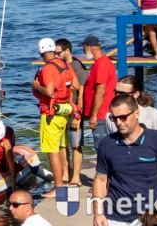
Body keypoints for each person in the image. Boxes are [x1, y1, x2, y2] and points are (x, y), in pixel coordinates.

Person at [93, 94, 157, 226]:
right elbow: (100, 180)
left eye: (123, 117)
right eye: (114, 118)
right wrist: (98, 213)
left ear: (136, 114)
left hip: (148, 217)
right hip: (113, 216)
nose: (118, 123)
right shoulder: (106, 143)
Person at [33, 37, 75, 194]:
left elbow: (49, 92)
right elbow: (76, 85)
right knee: (59, 147)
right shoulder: (64, 65)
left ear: (42, 53)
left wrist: (37, 86)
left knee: (52, 151)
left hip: (51, 114)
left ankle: (58, 187)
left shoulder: (47, 69)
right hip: (64, 111)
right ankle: (63, 180)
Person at [104, 75, 157, 153]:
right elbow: (110, 145)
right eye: (116, 92)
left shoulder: (152, 114)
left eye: (122, 93)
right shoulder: (111, 117)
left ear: (136, 94)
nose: (117, 96)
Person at [56, 38, 87, 185]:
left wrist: (78, 115)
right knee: (62, 144)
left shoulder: (77, 66)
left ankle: (76, 176)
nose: (56, 55)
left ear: (67, 51)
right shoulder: (59, 66)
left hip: (74, 111)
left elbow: (82, 92)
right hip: (61, 111)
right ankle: (65, 172)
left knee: (75, 144)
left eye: (58, 52)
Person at [81, 35, 116, 150]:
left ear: (90, 47)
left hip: (101, 112)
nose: (83, 51)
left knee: (101, 146)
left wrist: (94, 115)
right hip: (100, 111)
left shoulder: (101, 64)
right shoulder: (99, 63)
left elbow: (101, 91)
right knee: (103, 145)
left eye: (84, 47)